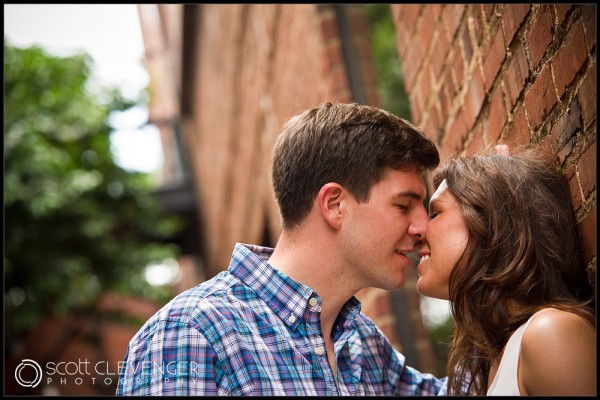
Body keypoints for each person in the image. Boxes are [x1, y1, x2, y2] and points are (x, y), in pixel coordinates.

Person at [116, 102, 451, 395]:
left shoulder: (362, 344)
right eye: (404, 205)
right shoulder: (191, 334)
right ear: (335, 205)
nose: (421, 227)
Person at [415, 146, 596, 396]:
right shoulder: (489, 364)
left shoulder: (550, 333)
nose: (419, 232)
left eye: (435, 213)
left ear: (489, 221)